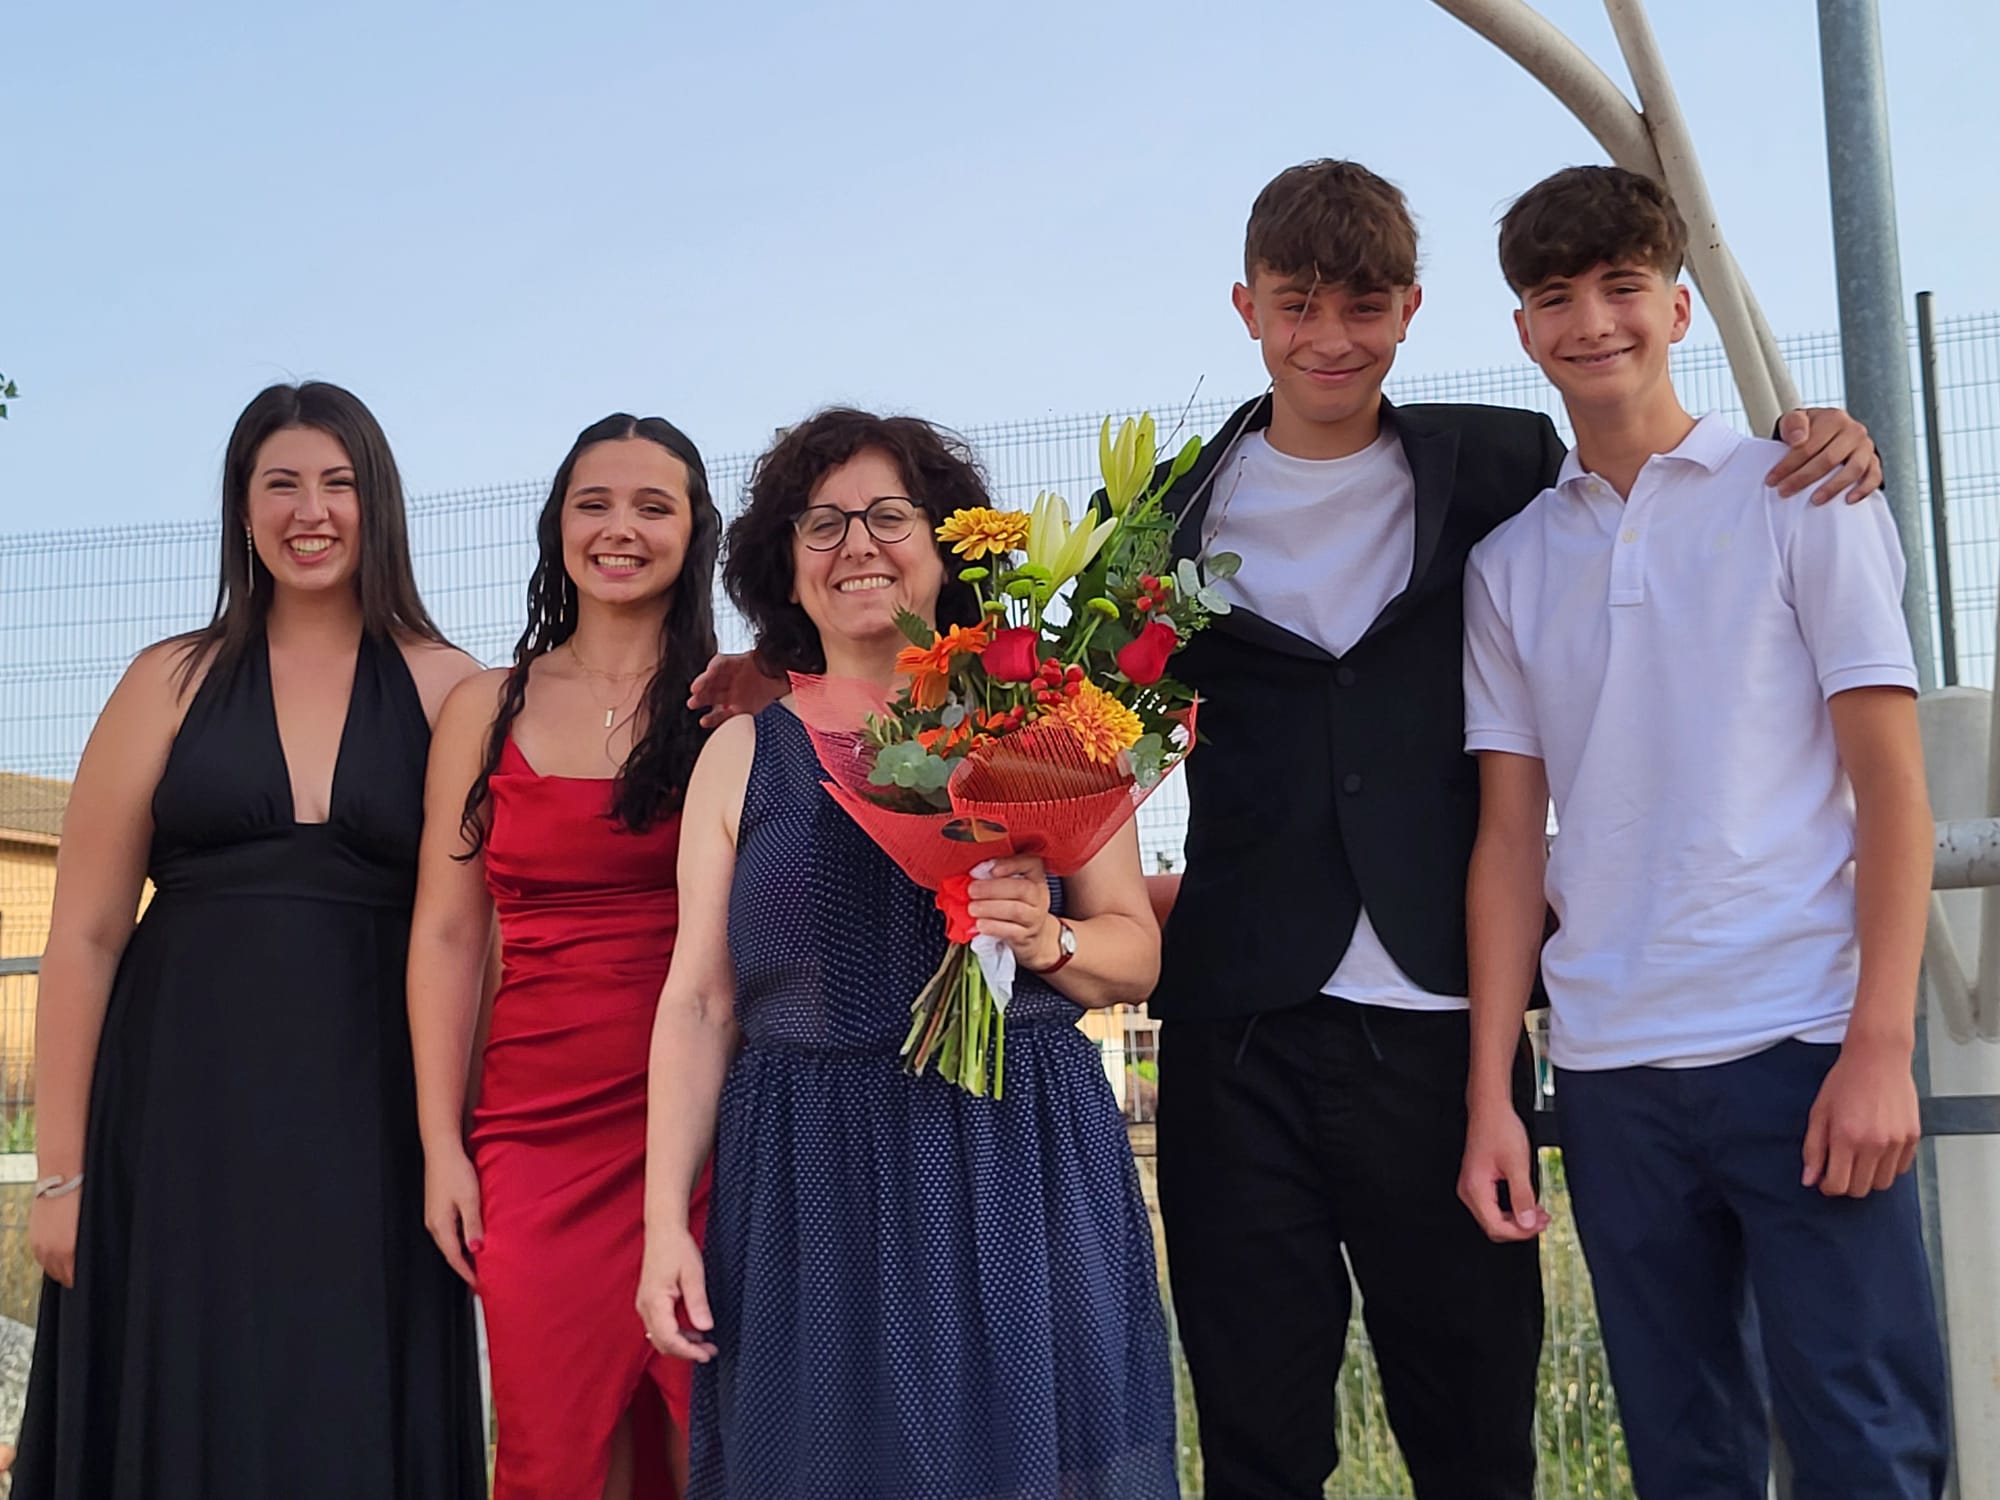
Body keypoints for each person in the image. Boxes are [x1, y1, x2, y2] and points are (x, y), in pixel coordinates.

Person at [1139, 159, 1884, 1500]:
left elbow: (1648, 453)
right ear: (1246, 308)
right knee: (1255, 1431)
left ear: (1411, 311)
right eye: (1296, 305)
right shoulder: (1162, 513)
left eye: (1362, 306)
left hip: (1442, 1022)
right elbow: (1071, 712)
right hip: (1236, 1023)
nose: (1327, 337)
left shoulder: (1496, 464)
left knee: (1478, 1426)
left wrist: (1813, 428)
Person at [1459, 163, 1948, 1499]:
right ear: (1523, 330)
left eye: (1621, 287)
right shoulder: (1506, 567)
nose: (1591, 321)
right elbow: (1507, 844)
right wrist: (1494, 1091)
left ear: (1676, 307)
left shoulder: (1806, 495)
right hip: (1611, 1074)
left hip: (1802, 1044)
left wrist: (1879, 1046)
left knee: (1866, 1449)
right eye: (1555, 297)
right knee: (1685, 1461)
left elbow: (1893, 791)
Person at [636, 408, 1179, 1499]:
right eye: (822, 524)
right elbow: (699, 1004)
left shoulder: (1048, 723)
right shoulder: (740, 756)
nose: (858, 545)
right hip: (809, 1180)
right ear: (785, 569)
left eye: (890, 515)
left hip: (1015, 1155)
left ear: (944, 548)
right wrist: (662, 1225)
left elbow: (1134, 953)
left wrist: (1050, 936)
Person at [16, 381, 486, 1499]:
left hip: (374, 1125)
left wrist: (464, 1143)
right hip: (175, 1125)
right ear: (241, 508)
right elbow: (83, 935)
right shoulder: (166, 681)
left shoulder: (452, 688)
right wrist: (61, 1174)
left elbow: (477, 937)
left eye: (338, 483)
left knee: (342, 1397)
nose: (309, 512)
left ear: (378, 503)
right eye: (281, 484)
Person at [409, 413, 720, 1499]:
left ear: (695, 532)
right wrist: (442, 1146)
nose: (619, 528)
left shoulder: (734, 704)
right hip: (534, 1138)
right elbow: (448, 935)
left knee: (712, 1443)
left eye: (652, 506)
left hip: (710, 1130)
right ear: (556, 526)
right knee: (552, 1450)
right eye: (594, 504)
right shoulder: (482, 708)